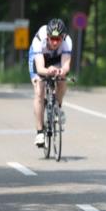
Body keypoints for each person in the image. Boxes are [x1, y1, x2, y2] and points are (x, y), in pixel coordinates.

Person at [28, 18, 72, 147]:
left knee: (63, 80)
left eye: (57, 39)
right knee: (39, 91)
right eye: (51, 38)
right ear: (47, 36)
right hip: (40, 59)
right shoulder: (39, 41)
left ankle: (57, 107)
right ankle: (40, 132)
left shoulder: (67, 42)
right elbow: (40, 68)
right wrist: (48, 71)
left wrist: (60, 71)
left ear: (63, 37)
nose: (54, 42)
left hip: (57, 59)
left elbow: (66, 66)